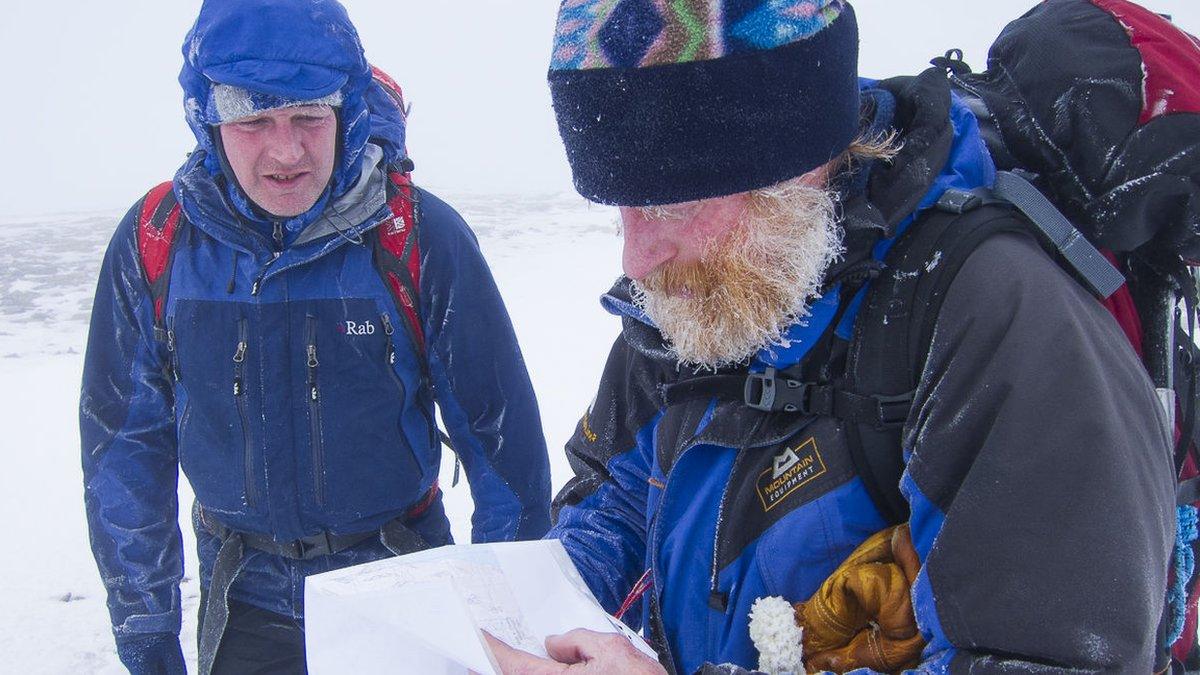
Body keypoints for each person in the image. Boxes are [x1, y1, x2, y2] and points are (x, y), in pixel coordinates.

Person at [494, 0, 1179, 672]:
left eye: (672, 202)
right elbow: (617, 489)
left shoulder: (999, 319)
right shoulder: (704, 289)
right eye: (622, 206)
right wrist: (537, 620)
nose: (636, 260)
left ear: (794, 158)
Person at [79, 1, 551, 672]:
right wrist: (146, 629)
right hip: (247, 602)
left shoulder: (418, 236)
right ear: (208, 118)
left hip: (405, 589)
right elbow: (125, 451)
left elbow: (504, 447)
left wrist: (513, 624)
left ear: (346, 111)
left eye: (308, 116)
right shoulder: (158, 243)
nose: (286, 150)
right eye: (254, 118)